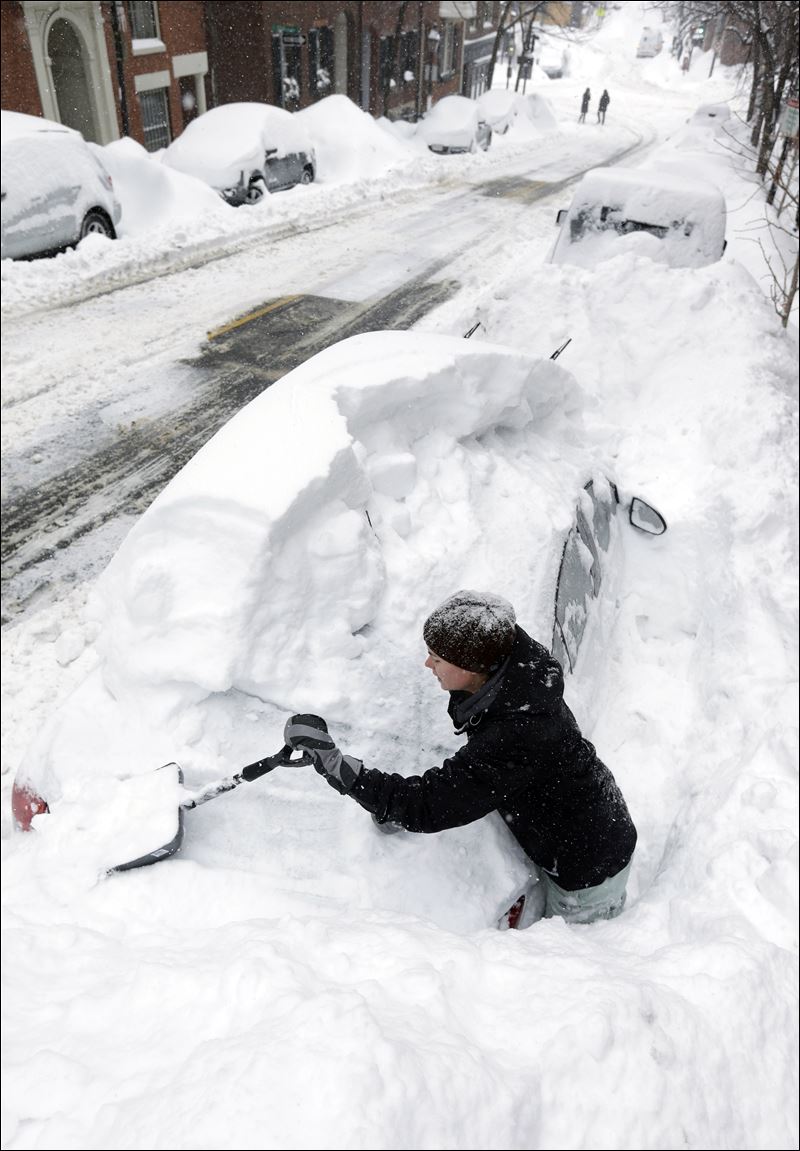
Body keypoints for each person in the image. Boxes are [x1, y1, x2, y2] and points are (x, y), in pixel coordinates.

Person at [284, 590, 638, 930]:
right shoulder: (515, 669)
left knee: (569, 955)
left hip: (589, 868)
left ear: (471, 668)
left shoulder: (517, 732)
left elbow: (430, 804)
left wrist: (342, 770)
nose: (427, 664)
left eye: (437, 659)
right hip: (582, 815)